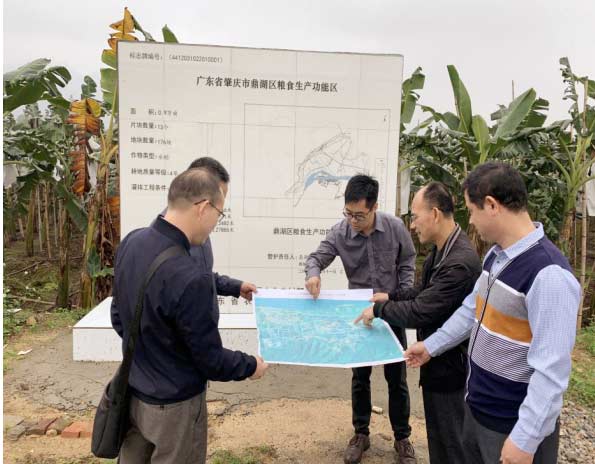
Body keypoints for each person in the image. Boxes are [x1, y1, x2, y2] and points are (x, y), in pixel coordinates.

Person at [405, 163, 581, 464]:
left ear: (492, 205)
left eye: (472, 211)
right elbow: (471, 310)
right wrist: (431, 346)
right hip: (478, 410)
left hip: (511, 426)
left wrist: (525, 439)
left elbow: (551, 372)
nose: (471, 222)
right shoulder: (496, 257)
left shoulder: (548, 274)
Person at [112, 168, 268, 463]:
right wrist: (251, 366)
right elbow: (210, 360)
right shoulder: (190, 276)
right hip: (176, 408)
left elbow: (118, 316)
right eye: (219, 214)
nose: (215, 224)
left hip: (134, 390)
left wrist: (151, 352)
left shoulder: (132, 242)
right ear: (203, 208)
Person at [354, 182, 481, 463]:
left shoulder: (458, 262)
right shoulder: (442, 250)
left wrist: (379, 309)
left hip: (452, 371)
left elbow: (421, 311)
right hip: (436, 362)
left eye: (415, 216)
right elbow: (423, 291)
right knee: (439, 439)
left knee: (451, 444)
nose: (412, 225)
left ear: (434, 214)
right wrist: (391, 296)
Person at [304, 174, 418, 464]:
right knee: (360, 377)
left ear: (374, 207)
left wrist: (402, 295)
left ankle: (402, 437)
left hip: (390, 309)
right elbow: (316, 258)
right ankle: (360, 434)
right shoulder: (340, 232)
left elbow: (407, 260)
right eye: (348, 213)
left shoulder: (394, 227)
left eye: (359, 215)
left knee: (397, 378)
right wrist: (313, 275)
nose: (353, 221)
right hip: (359, 314)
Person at [165, 157, 258, 308]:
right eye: (218, 211)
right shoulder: (161, 247)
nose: (216, 220)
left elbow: (203, 277)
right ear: (204, 206)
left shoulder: (198, 234)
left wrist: (235, 287)